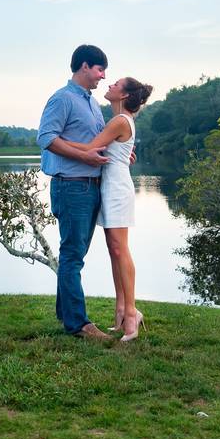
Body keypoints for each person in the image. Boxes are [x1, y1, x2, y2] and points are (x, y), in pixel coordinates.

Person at [65, 77, 153, 342]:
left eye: (115, 84)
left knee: (119, 249)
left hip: (117, 190)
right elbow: (112, 150)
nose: (110, 85)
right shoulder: (117, 121)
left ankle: (131, 315)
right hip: (109, 186)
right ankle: (120, 311)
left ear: (124, 96)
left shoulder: (119, 120)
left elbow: (92, 147)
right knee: (114, 251)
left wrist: (56, 142)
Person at [36, 45, 113, 340]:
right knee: (72, 256)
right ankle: (79, 324)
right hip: (71, 187)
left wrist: (119, 154)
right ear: (84, 66)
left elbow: (97, 142)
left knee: (74, 254)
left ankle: (65, 314)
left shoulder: (92, 104)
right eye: (99, 69)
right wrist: (84, 158)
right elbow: (46, 138)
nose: (103, 76)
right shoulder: (63, 98)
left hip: (90, 187)